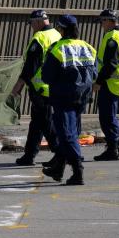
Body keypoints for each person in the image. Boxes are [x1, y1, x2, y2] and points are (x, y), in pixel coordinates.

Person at [40, 14, 96, 185]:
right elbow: (94, 73)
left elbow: (47, 76)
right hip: (82, 97)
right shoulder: (88, 47)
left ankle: (77, 171)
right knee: (71, 132)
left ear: (61, 29)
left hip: (62, 97)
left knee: (67, 135)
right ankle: (58, 169)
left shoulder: (57, 49)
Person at [11, 10, 62, 166]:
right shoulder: (57, 35)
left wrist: (19, 84)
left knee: (45, 123)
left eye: (32, 23)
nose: (32, 27)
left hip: (40, 88)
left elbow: (31, 66)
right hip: (54, 87)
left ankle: (61, 154)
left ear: (39, 22)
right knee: (37, 123)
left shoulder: (40, 38)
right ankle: (29, 155)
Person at [93, 9, 119, 161]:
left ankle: (112, 149)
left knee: (107, 118)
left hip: (109, 84)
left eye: (102, 21)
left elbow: (110, 65)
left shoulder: (113, 38)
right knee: (112, 117)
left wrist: (98, 82)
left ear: (110, 20)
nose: (101, 25)